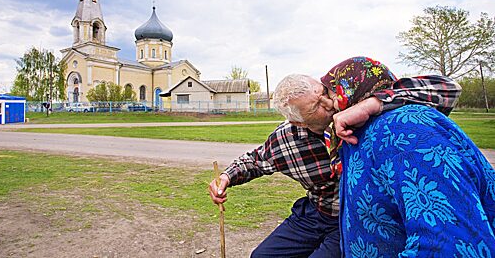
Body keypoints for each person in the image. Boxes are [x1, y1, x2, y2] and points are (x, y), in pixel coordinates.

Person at [208, 57, 462, 257]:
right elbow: (255, 160)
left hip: (354, 218)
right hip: (316, 213)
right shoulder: (285, 139)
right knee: (261, 256)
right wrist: (225, 178)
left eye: (323, 94)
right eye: (316, 107)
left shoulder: (356, 109)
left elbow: (447, 89)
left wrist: (370, 104)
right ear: (298, 120)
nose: (330, 104)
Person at [320, 57, 495, 255]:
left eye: (332, 94)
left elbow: (448, 245)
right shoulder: (356, 134)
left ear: (351, 88)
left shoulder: (402, 129)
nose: (329, 105)